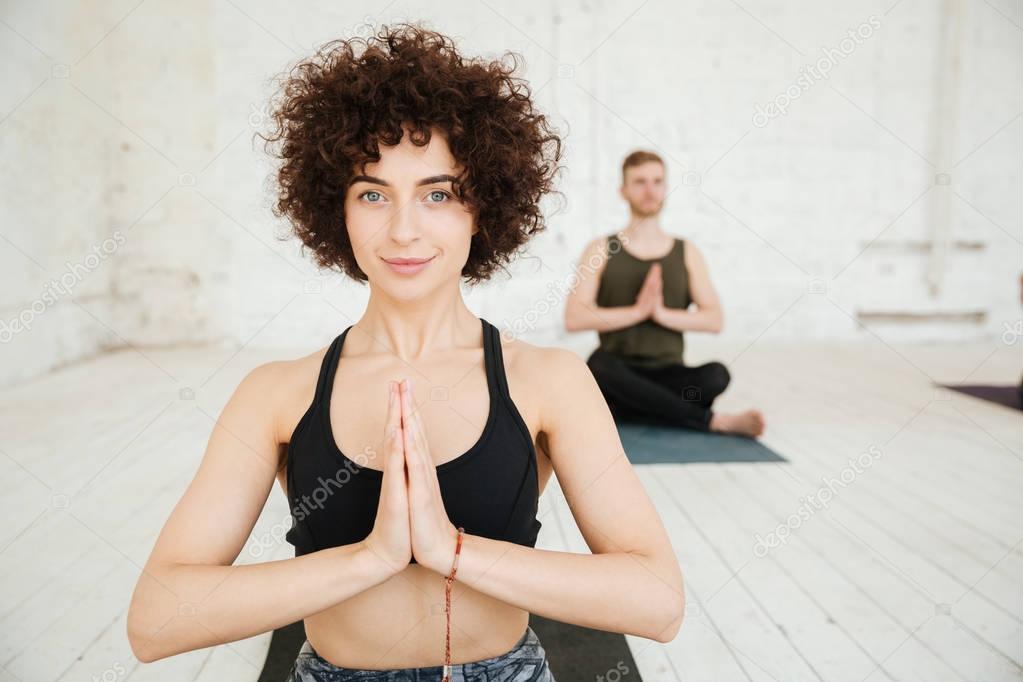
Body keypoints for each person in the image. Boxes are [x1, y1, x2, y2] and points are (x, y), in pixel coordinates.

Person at [125, 24, 685, 681]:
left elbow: (657, 601)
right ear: (337, 210)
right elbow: (154, 621)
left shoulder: (548, 381)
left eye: (438, 193)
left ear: (483, 209)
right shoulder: (275, 393)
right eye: (372, 194)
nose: (403, 229)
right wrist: (371, 558)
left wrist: (451, 551)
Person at [565, 150, 765, 438]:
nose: (650, 190)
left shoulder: (687, 252)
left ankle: (637, 408)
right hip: (619, 370)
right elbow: (574, 318)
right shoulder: (601, 249)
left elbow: (714, 320)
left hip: (670, 375)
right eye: (640, 182)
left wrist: (660, 314)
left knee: (717, 375)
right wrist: (637, 312)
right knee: (598, 364)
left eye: (657, 181)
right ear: (623, 191)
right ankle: (710, 420)